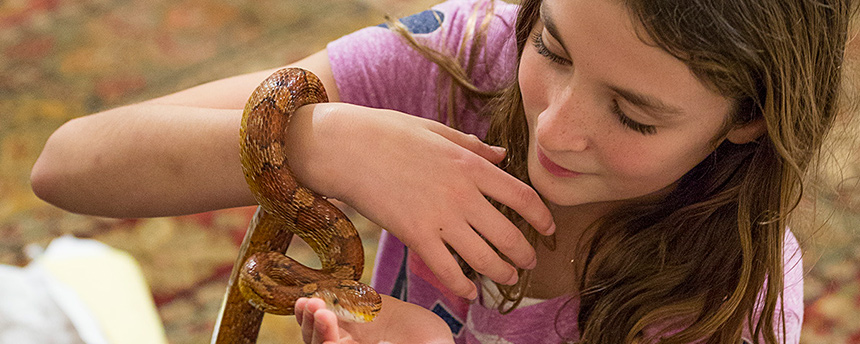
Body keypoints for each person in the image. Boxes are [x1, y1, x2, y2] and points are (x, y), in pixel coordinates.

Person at [30, 0, 857, 342]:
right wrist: (324, 139)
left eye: (634, 114)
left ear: (749, 118)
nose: (555, 131)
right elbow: (69, 165)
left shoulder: (733, 299)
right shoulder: (464, 57)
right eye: (553, 49)